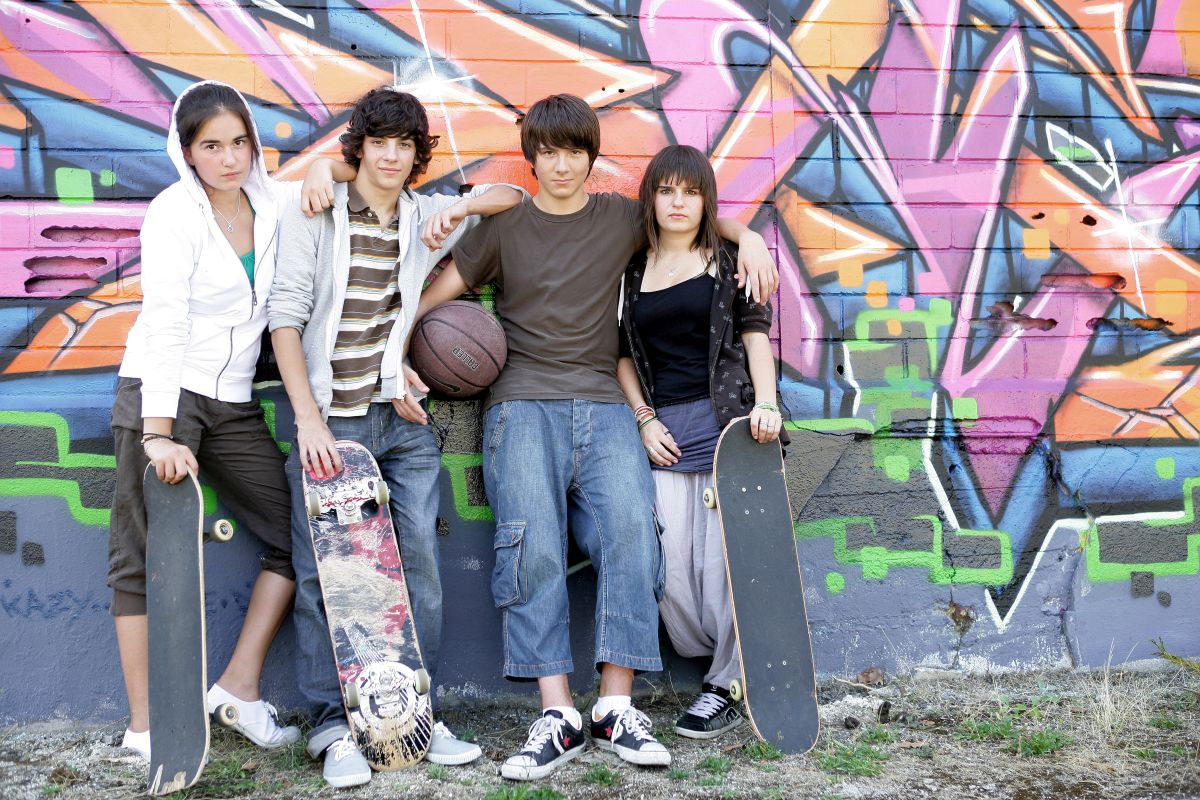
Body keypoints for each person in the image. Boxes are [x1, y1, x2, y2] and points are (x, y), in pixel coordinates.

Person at [412, 95, 778, 781]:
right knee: (533, 548)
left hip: (610, 407)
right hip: (521, 405)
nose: (560, 165)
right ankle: (556, 715)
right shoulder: (505, 224)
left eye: (573, 151)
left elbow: (688, 213)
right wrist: (400, 348)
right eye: (546, 152)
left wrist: (748, 236)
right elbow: (442, 291)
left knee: (634, 536)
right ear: (533, 157)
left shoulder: (617, 219)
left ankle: (615, 707)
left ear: (590, 157)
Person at [268, 85, 524, 789]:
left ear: (416, 155)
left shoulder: (420, 217)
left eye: (403, 145)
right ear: (359, 146)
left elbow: (510, 195)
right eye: (377, 142)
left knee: (417, 572)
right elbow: (285, 320)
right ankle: (331, 727)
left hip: (400, 419)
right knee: (329, 579)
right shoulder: (315, 209)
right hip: (331, 421)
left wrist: (459, 206)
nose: (389, 155)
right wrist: (310, 420)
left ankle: (415, 711)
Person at [109, 80, 352, 759]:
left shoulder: (274, 203)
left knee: (295, 532)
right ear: (186, 152)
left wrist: (326, 170)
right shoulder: (172, 214)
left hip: (234, 401)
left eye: (239, 142)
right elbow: (164, 320)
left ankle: (238, 689)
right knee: (140, 554)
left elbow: (342, 167)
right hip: (163, 393)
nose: (228, 158)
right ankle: (144, 726)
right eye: (211, 146)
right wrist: (158, 431)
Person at [616, 144, 784, 741]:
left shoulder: (729, 259)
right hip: (664, 435)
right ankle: (713, 662)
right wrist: (642, 419)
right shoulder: (632, 269)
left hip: (727, 430)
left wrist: (767, 405)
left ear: (706, 199)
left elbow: (754, 334)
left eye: (691, 191)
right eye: (667, 190)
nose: (678, 202)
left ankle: (727, 684)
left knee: (726, 567)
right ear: (652, 198)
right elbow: (620, 358)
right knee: (675, 577)